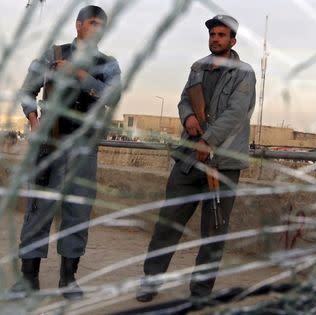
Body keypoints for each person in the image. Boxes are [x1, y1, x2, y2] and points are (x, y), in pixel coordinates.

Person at [136, 14, 256, 302]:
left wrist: (208, 140)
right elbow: (184, 99)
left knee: (213, 232)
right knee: (167, 224)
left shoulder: (245, 73)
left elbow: (236, 114)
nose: (216, 39)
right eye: (213, 34)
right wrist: (188, 117)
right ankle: (150, 282)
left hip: (223, 164)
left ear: (233, 41)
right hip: (189, 160)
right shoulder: (198, 67)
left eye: (222, 35)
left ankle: (200, 292)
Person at [13, 5, 121, 299]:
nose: (96, 29)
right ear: (78, 25)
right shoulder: (54, 54)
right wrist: (34, 122)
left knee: (77, 212)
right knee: (37, 210)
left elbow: (113, 94)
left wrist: (79, 74)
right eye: (92, 23)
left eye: (102, 25)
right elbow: (27, 90)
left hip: (84, 148)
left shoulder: (108, 63)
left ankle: (68, 280)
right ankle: (28, 280)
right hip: (50, 144)